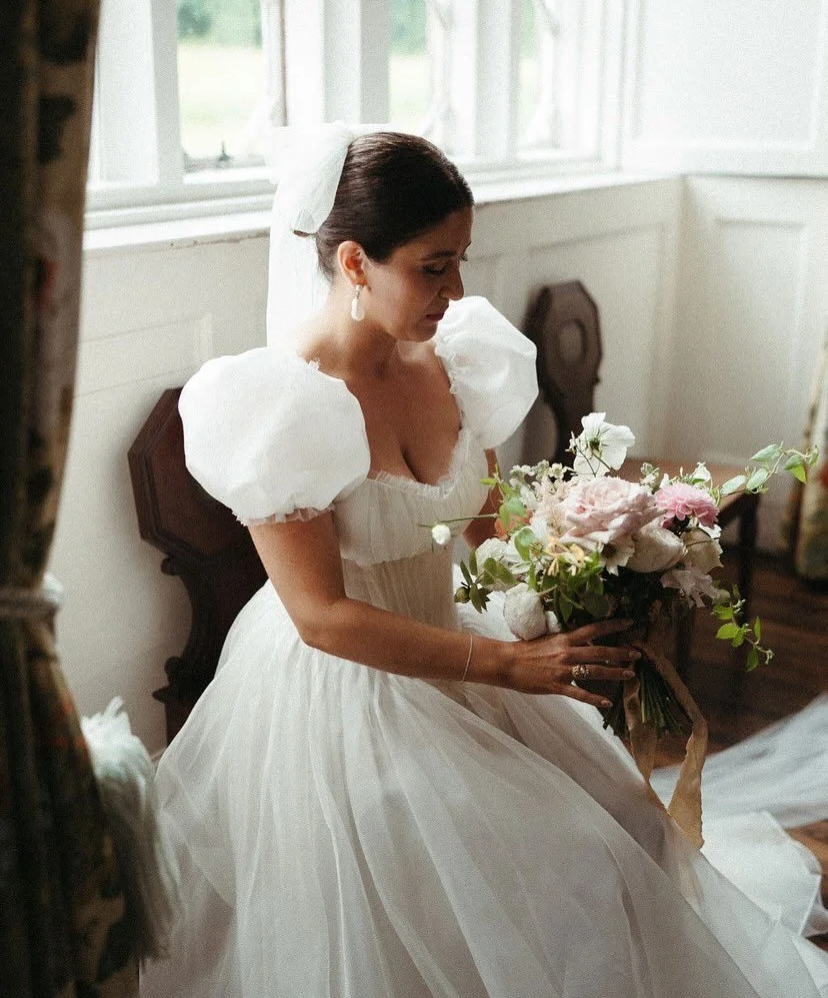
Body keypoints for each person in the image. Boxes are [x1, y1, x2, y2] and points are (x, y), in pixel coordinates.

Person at [140, 124, 828, 997]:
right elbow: (320, 618)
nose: (457, 288)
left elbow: (489, 533)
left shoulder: (456, 364)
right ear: (354, 263)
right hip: (350, 686)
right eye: (434, 266)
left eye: (462, 259)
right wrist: (508, 661)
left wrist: (587, 564)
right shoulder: (284, 406)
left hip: (466, 644)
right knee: (524, 865)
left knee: (623, 821)